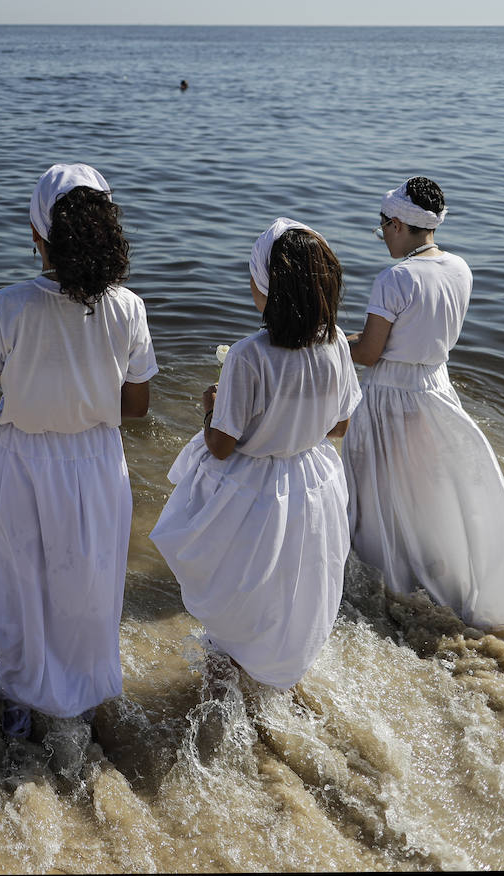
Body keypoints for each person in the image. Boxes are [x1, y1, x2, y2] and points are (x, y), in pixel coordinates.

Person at [0, 164, 157, 738]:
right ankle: (88, 690)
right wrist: (86, 414)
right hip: (98, 459)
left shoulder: (5, 306)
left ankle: (22, 699)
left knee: (20, 581)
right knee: (91, 580)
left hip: (21, 456)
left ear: (37, 234)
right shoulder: (128, 308)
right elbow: (139, 406)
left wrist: (13, 437)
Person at [150, 219, 362, 689]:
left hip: (253, 495)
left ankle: (225, 689)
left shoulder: (250, 355)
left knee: (238, 595)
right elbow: (341, 425)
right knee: (292, 588)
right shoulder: (335, 345)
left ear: (267, 287)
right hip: (311, 484)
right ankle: (276, 676)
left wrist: (210, 406)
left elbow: (222, 446)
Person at [344, 178, 504, 629]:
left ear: (396, 224)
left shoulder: (395, 278)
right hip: (438, 392)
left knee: (380, 498)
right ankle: (443, 584)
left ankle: (388, 589)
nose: (383, 237)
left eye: (382, 228)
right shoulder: (460, 268)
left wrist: (325, 338)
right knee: (428, 496)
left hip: (392, 398)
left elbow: (370, 353)